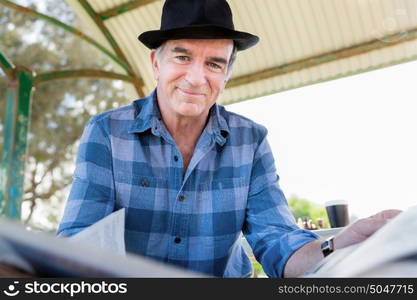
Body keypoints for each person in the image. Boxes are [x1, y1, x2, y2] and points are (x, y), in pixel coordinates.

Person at [57, 0, 401, 277]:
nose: (195, 78)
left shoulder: (250, 141)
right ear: (156, 62)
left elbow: (277, 240)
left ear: (227, 75)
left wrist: (336, 246)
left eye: (214, 64)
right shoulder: (107, 132)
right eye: (182, 57)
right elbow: (78, 242)